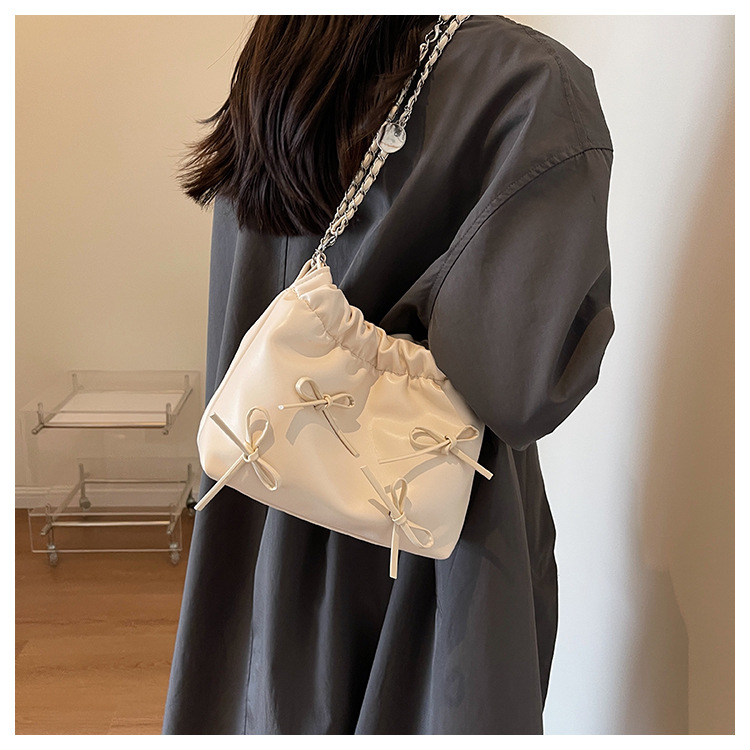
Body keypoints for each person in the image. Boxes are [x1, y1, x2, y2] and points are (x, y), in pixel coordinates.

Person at [163, 15, 615, 734]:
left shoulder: (279, 65)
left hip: (256, 509)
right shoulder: (530, 88)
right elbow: (527, 389)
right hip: (429, 561)